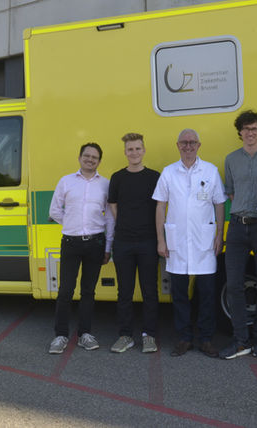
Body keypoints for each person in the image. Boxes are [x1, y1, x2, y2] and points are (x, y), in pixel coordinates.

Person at [153, 129, 226, 357]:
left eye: (192, 142)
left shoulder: (211, 171)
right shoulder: (168, 172)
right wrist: (161, 239)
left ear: (199, 145)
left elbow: (219, 204)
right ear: (177, 145)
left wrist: (219, 235)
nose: (188, 146)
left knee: (207, 294)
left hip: (205, 242)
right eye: (184, 142)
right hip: (177, 243)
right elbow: (160, 206)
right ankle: (184, 338)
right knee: (179, 295)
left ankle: (206, 339)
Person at [219, 110, 257, 359]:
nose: (250, 133)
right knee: (234, 284)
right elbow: (231, 192)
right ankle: (240, 340)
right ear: (240, 132)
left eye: (254, 128)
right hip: (236, 226)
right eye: (246, 129)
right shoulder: (231, 159)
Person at [48, 143, 115, 354]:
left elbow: (110, 218)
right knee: (65, 290)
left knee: (88, 291)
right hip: (71, 242)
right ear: (79, 157)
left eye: (95, 157)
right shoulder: (66, 181)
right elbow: (54, 210)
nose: (90, 159)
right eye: (87, 155)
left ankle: (85, 334)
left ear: (99, 161)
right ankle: (60, 335)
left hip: (96, 243)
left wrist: (108, 246)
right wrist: (72, 223)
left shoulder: (105, 184)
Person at [108, 133, 161, 354]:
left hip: (148, 241)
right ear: (125, 152)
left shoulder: (154, 177)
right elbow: (113, 205)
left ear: (144, 150)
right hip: (123, 242)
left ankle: (149, 336)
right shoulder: (117, 177)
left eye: (138, 148)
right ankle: (125, 336)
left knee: (150, 291)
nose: (134, 152)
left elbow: (160, 207)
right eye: (130, 149)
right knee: (124, 292)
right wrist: (125, 223)